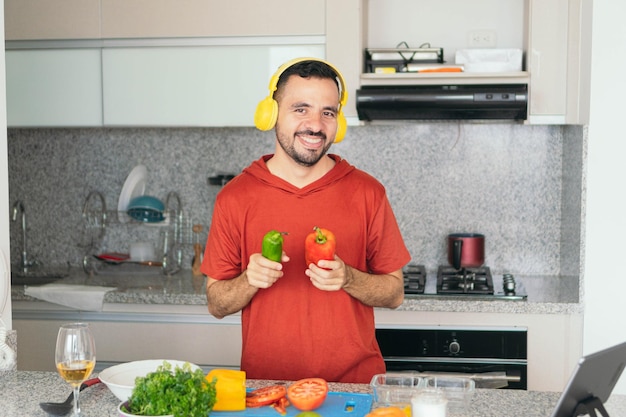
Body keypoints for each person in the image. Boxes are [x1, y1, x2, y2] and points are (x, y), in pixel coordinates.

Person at [201, 57, 410, 384]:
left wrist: (349, 278)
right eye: (301, 109)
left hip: (354, 389)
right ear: (271, 113)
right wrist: (248, 280)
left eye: (328, 112)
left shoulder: (368, 192)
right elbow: (216, 303)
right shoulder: (235, 197)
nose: (315, 124)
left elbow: (395, 293)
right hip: (269, 391)